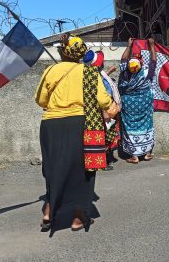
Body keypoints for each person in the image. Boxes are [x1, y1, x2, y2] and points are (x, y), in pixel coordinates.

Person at [35, 34, 113, 231]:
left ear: (62, 52)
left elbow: (41, 101)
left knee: (53, 168)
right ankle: (78, 219)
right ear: (81, 53)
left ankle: (49, 211)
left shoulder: (50, 71)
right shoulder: (90, 72)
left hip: (51, 125)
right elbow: (103, 101)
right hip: (80, 124)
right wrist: (114, 108)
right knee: (83, 171)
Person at [118, 38, 157, 163]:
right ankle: (146, 153)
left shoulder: (125, 73)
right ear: (140, 64)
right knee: (146, 124)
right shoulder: (146, 73)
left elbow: (123, 59)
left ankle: (134, 156)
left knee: (130, 126)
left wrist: (129, 45)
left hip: (129, 104)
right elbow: (154, 61)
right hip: (144, 103)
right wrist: (151, 45)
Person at [83, 50, 121, 171]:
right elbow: (100, 95)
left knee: (108, 135)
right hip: (104, 111)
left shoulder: (96, 73)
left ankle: (105, 159)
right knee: (105, 136)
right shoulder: (96, 76)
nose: (103, 63)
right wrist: (105, 112)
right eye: (101, 61)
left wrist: (108, 72)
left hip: (107, 109)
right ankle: (104, 161)